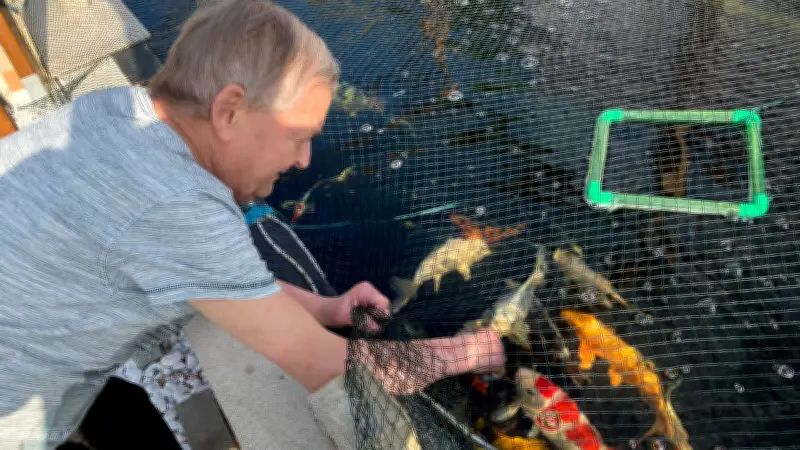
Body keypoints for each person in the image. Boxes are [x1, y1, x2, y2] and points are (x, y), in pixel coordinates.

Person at [0, 0, 506, 448]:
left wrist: (325, 307)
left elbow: (218, 277)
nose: (305, 160)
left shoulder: (112, 110)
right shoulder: (178, 203)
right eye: (298, 135)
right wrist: (470, 350)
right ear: (229, 111)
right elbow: (336, 367)